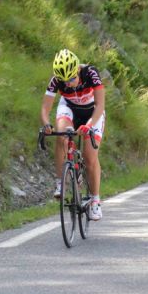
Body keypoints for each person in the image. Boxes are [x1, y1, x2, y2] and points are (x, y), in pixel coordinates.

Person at [40, 48, 105, 221]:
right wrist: (46, 124)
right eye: (64, 81)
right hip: (69, 108)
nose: (68, 84)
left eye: (71, 79)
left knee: (90, 158)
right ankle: (60, 182)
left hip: (92, 112)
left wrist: (89, 125)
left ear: (77, 70)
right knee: (61, 136)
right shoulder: (56, 80)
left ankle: (95, 200)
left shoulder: (90, 73)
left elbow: (100, 105)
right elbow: (45, 108)